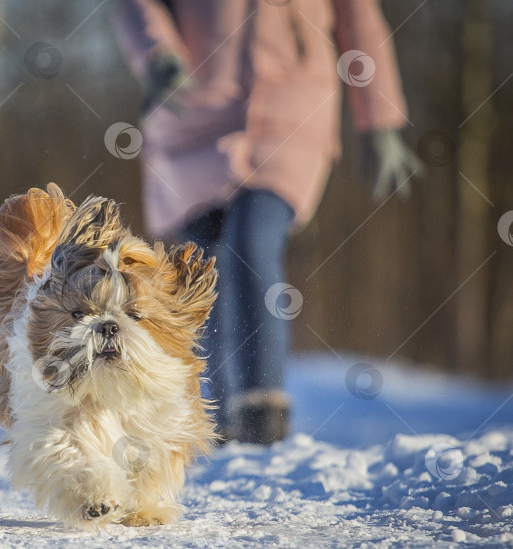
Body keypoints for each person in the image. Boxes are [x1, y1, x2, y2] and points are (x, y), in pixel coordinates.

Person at [113, 0, 422, 444]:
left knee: (251, 238)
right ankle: (216, 417)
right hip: (192, 113)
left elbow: (360, 22)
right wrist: (157, 55)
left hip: (291, 116)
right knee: (201, 268)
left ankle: (262, 413)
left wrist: (381, 118)